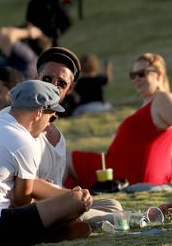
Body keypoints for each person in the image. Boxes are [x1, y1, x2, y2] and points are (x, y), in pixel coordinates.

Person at [0, 81, 92, 246]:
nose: (50, 124)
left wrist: (66, 194)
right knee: (77, 202)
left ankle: (52, 230)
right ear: (38, 113)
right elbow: (22, 202)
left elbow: (30, 185)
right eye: (52, 116)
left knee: (75, 197)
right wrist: (73, 199)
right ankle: (49, 234)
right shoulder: (23, 141)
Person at [69, 53, 172, 189]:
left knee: (66, 159)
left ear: (158, 75)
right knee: (68, 176)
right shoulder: (151, 105)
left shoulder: (163, 99)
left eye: (142, 74)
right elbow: (170, 150)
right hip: (119, 169)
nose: (136, 79)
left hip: (127, 173)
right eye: (133, 75)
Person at [27, 47, 123, 228]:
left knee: (113, 204)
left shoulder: (58, 137)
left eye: (61, 83)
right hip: (32, 211)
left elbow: (56, 186)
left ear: (69, 90)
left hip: (57, 204)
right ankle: (138, 218)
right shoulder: (26, 124)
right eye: (47, 79)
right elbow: (21, 189)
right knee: (111, 215)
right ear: (36, 79)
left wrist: (72, 195)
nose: (52, 86)